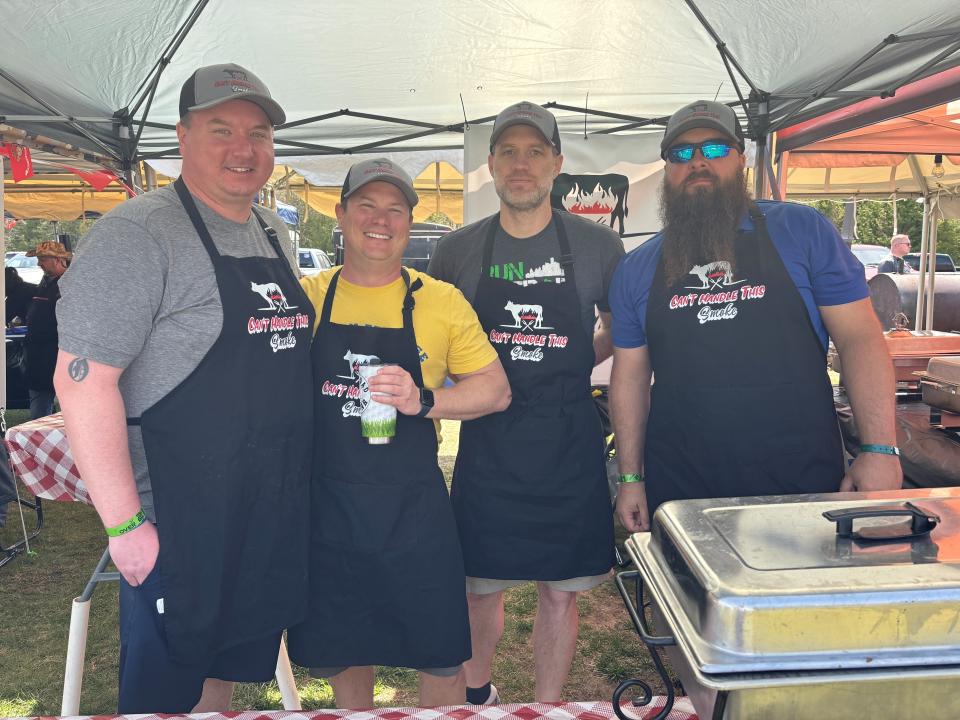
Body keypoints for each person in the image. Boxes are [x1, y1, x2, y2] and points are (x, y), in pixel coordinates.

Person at [53, 63, 314, 714]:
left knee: (220, 676)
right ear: (182, 137)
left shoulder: (269, 229)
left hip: (258, 505)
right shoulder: (138, 234)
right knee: (166, 694)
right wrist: (125, 525)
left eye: (258, 133)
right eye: (221, 128)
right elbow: (80, 382)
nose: (243, 149)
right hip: (175, 514)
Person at [609, 100, 902, 535]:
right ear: (668, 169)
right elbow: (630, 377)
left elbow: (860, 338)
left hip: (802, 480)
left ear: (741, 159)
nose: (697, 163)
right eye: (682, 154)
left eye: (713, 149)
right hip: (684, 485)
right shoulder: (637, 267)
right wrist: (631, 477)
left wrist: (880, 449)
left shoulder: (801, 231)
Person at [287, 158, 511, 708]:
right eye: (366, 205)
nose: (380, 220)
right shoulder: (305, 296)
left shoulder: (439, 300)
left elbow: (496, 390)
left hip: (412, 509)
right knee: (344, 646)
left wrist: (425, 400)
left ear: (410, 222)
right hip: (328, 505)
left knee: (438, 649)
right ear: (339, 215)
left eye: (395, 209)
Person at [427, 102, 624, 703]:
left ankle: (547, 706)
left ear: (557, 164)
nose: (521, 164)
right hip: (491, 440)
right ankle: (476, 697)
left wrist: (575, 363)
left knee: (559, 592)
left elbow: (620, 326)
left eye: (535, 151)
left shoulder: (596, 246)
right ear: (490, 164)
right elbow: (438, 340)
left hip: (568, 438)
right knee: (477, 587)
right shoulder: (457, 250)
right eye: (508, 151)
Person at [23, 241, 69, 418]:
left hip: (55, 354)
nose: (38, 263)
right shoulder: (45, 282)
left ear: (58, 260)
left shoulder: (68, 283)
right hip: (37, 354)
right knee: (39, 398)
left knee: (52, 401)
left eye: (42, 259)